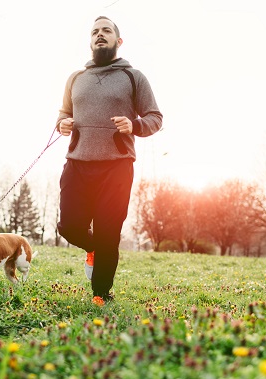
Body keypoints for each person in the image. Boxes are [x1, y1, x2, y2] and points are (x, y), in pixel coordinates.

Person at [56, 16, 163, 305]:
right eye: (95, 32)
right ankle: (96, 249)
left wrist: (134, 125)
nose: (100, 35)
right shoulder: (76, 78)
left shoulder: (133, 77)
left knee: (108, 231)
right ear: (90, 41)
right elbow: (63, 114)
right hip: (77, 163)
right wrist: (63, 124)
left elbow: (155, 118)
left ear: (119, 40)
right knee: (68, 226)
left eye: (106, 31)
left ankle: (101, 295)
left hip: (116, 165)